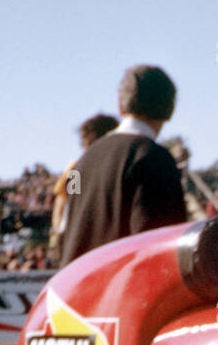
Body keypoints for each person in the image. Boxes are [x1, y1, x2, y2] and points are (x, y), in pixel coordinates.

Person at [59, 65, 188, 266]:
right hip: (119, 283)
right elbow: (158, 251)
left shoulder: (79, 165)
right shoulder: (155, 159)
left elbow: (64, 230)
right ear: (169, 110)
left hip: (74, 283)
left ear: (121, 105)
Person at [50, 113, 120, 257]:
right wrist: (62, 233)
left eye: (84, 138)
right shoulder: (77, 170)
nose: (82, 143)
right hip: (80, 240)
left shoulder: (117, 166)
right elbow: (67, 205)